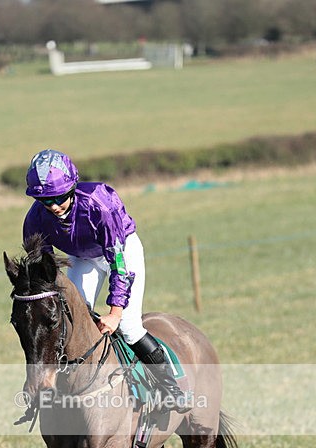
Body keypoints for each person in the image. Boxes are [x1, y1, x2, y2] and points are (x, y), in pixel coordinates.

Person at [22, 149, 192, 411]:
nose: (53, 206)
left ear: (72, 187)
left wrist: (114, 312)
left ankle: (172, 388)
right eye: (45, 200)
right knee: (70, 322)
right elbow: (45, 273)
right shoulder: (34, 219)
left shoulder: (98, 203)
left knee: (129, 326)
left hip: (122, 252)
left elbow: (118, 265)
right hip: (82, 258)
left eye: (59, 197)